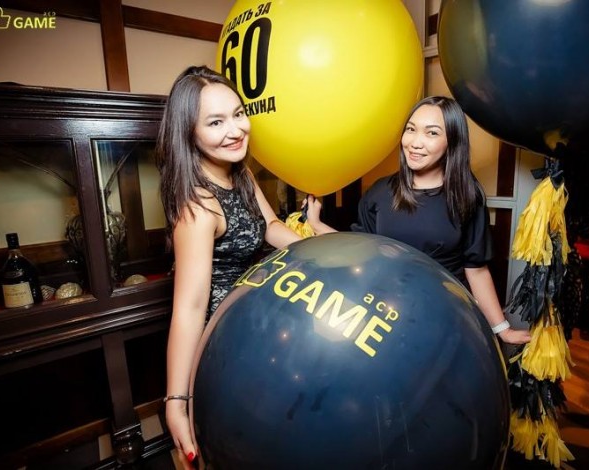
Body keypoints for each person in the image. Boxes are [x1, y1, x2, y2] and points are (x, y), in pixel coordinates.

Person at [156, 65, 302, 468]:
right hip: (225, 344)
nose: (236, 130)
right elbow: (189, 308)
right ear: (189, 132)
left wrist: (323, 248)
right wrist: (176, 401)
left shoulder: (241, 173)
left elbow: (270, 226)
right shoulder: (198, 206)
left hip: (258, 322)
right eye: (216, 122)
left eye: (238, 114)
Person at [306, 95, 531, 345]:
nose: (415, 142)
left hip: (442, 318)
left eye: (432, 133)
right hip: (383, 316)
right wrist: (317, 225)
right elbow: (359, 251)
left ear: (452, 141)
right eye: (411, 129)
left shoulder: (467, 196)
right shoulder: (380, 192)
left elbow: (476, 270)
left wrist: (502, 330)